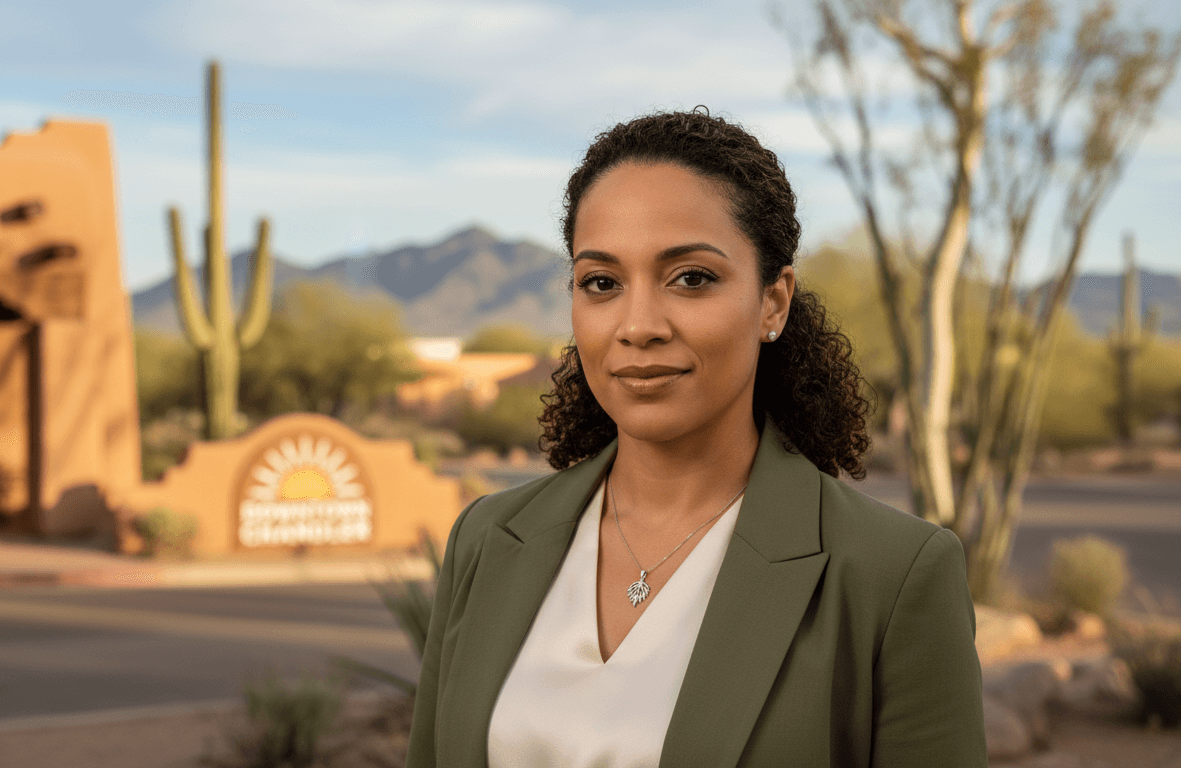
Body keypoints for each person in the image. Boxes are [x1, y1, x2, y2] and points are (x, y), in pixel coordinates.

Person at [405, 108, 986, 767]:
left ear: (774, 302)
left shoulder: (892, 576)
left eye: (691, 278)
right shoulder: (487, 539)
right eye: (602, 283)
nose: (639, 325)